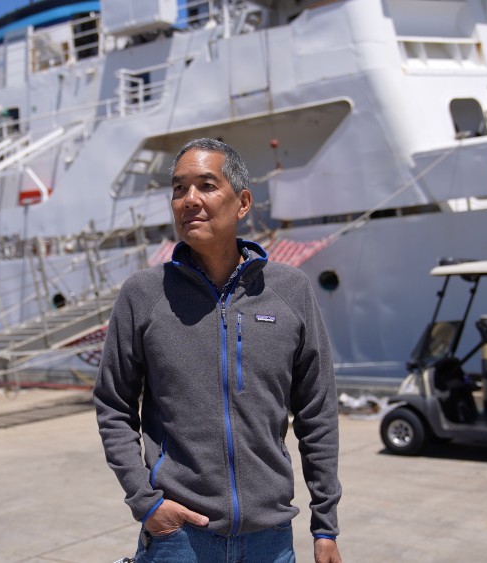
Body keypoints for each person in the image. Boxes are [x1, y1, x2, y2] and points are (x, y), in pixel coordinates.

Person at [94, 138, 342, 562]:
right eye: (179, 188)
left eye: (206, 185)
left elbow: (317, 414)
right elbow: (113, 405)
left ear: (242, 202)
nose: (189, 199)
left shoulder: (290, 291)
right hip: (179, 539)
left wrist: (325, 525)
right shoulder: (144, 295)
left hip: (270, 539)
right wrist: (146, 502)